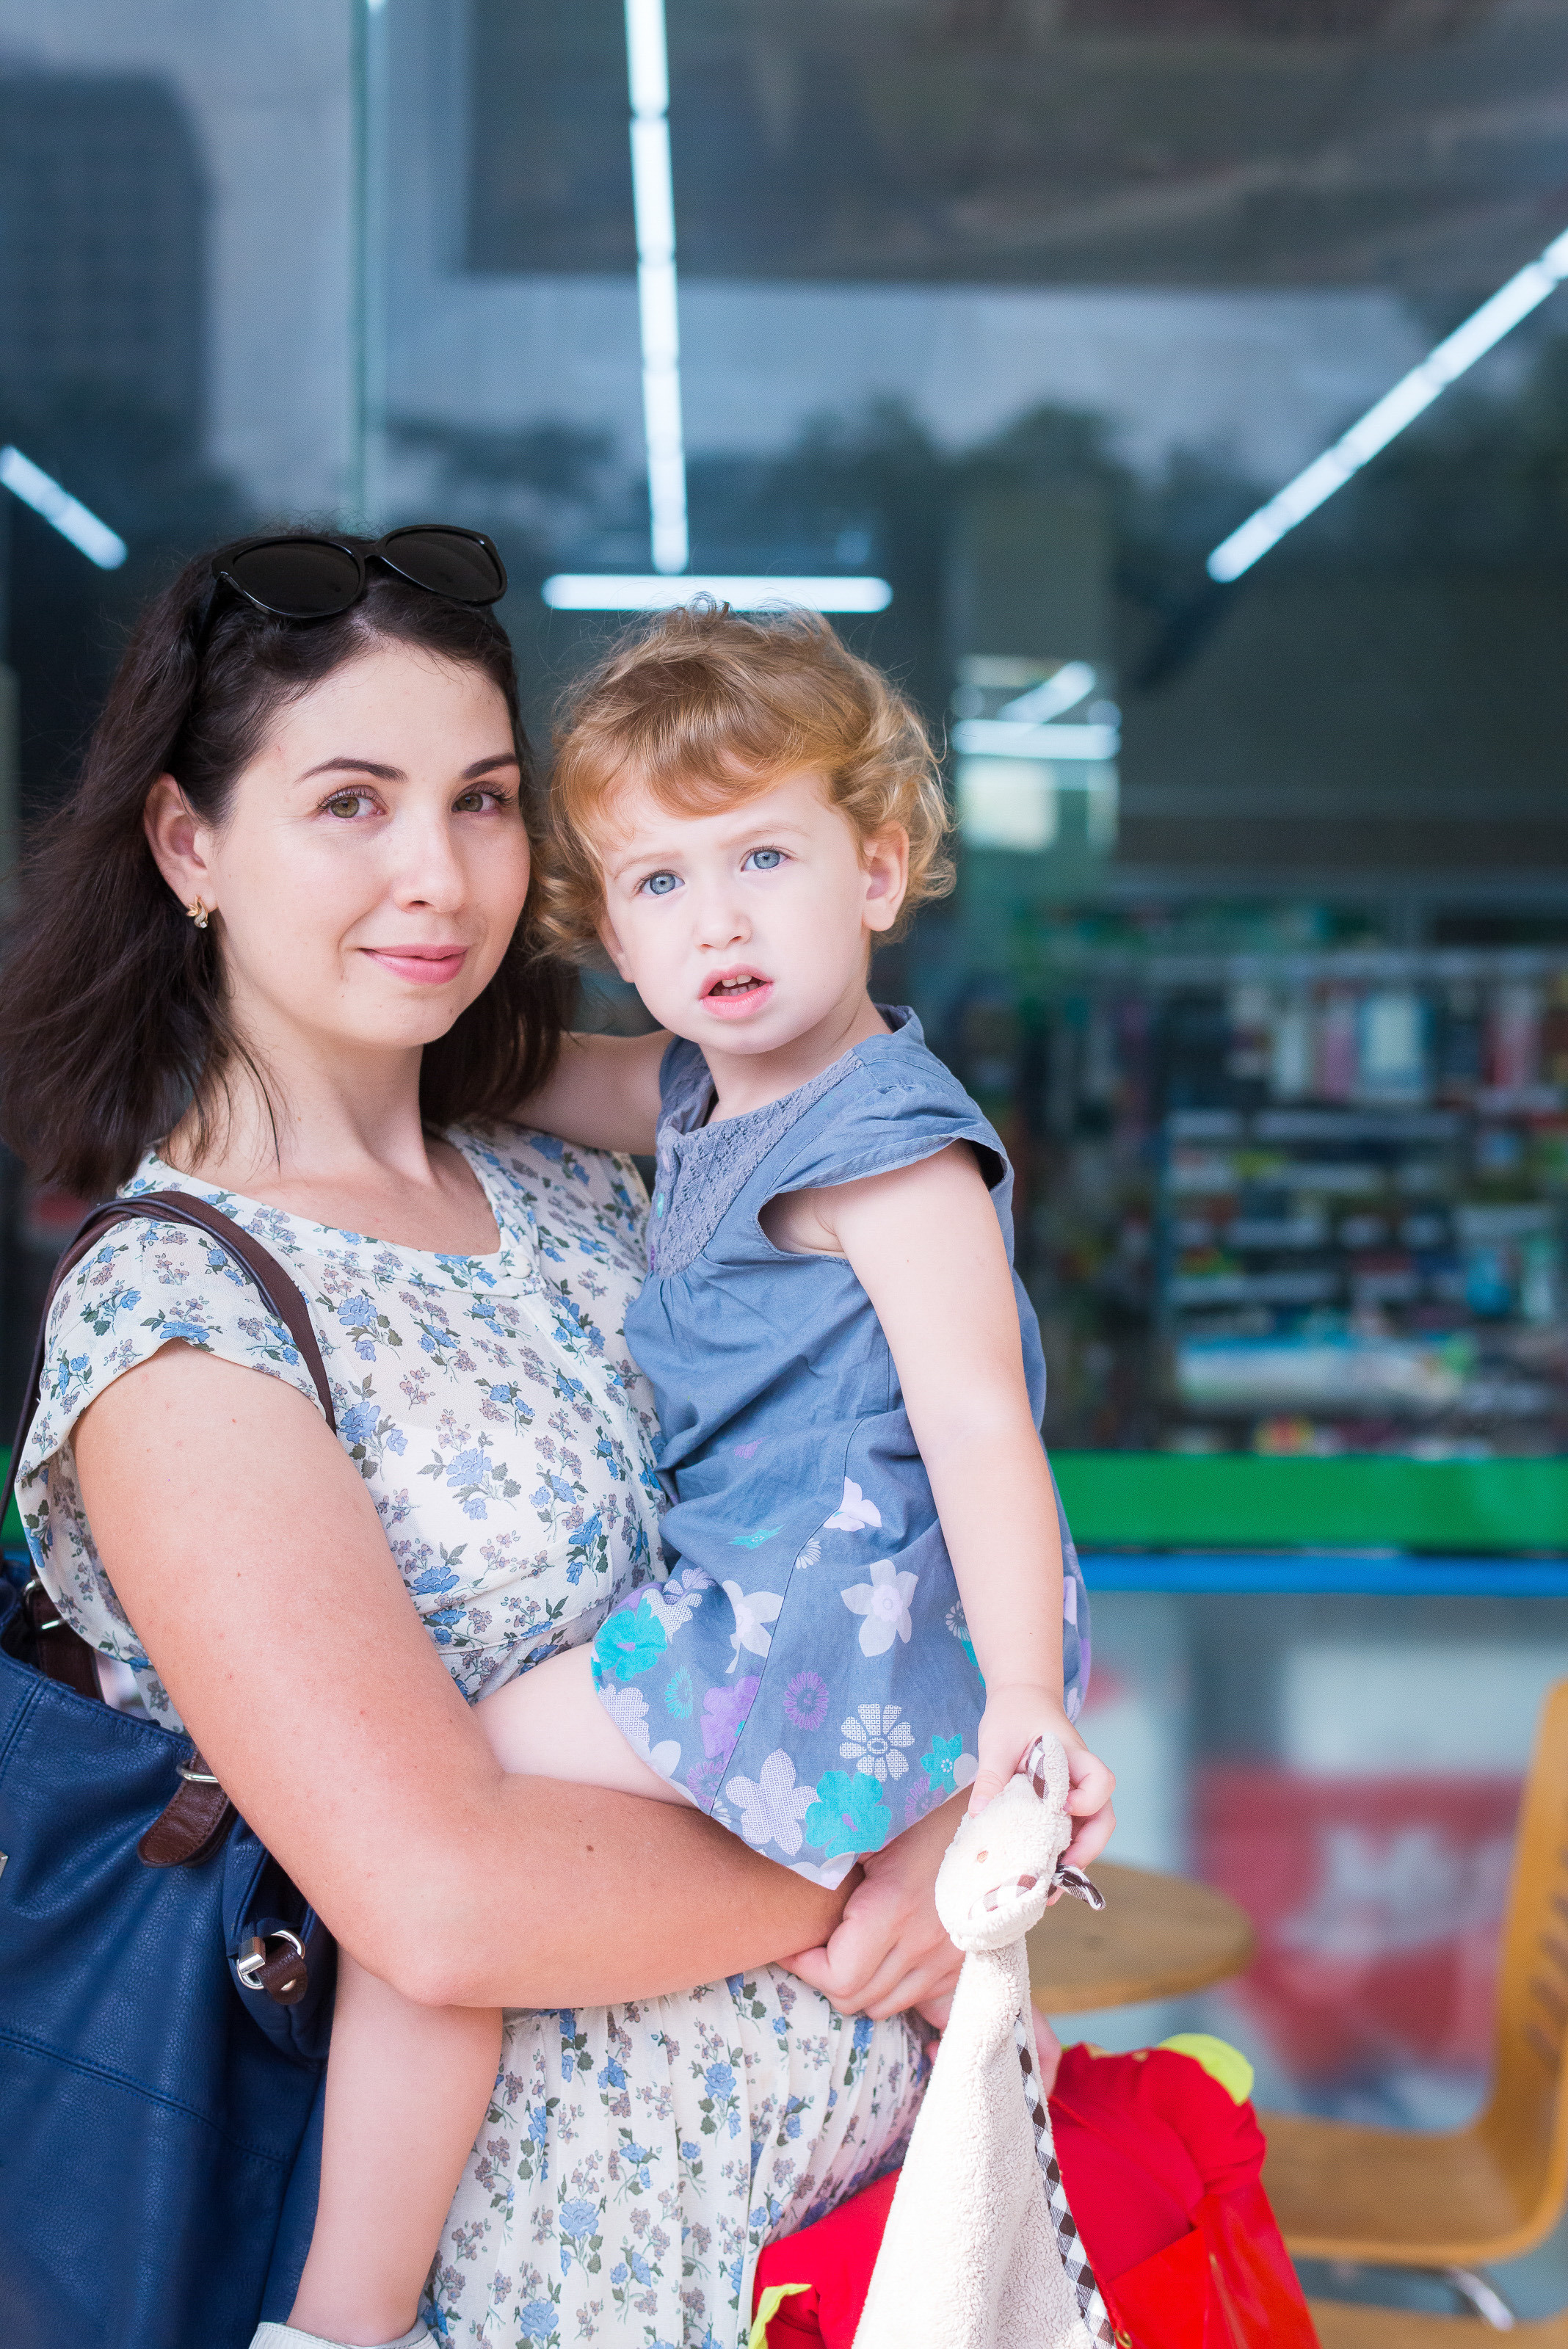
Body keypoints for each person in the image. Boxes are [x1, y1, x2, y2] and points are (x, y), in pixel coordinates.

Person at [0, 536, 1078, 2349]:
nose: (436, 874)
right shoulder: (182, 1323)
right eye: (352, 801)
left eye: (483, 801)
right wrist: (877, 1860)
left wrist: (965, 1794)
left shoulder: (589, 1184)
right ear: (191, 847)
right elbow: (441, 1902)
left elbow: (880, 1493)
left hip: (858, 2242)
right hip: (547, 2286)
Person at [291, 600, 1116, 2345]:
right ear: (614, 928)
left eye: (764, 854)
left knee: (426, 1856)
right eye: (657, 884)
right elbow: (509, 1072)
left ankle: (336, 2319)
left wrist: (1027, 1702)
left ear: (881, 870)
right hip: (805, 1613)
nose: (716, 918)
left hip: (820, 1628)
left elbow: (980, 1417)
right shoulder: (699, 1087)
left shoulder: (889, 1152)